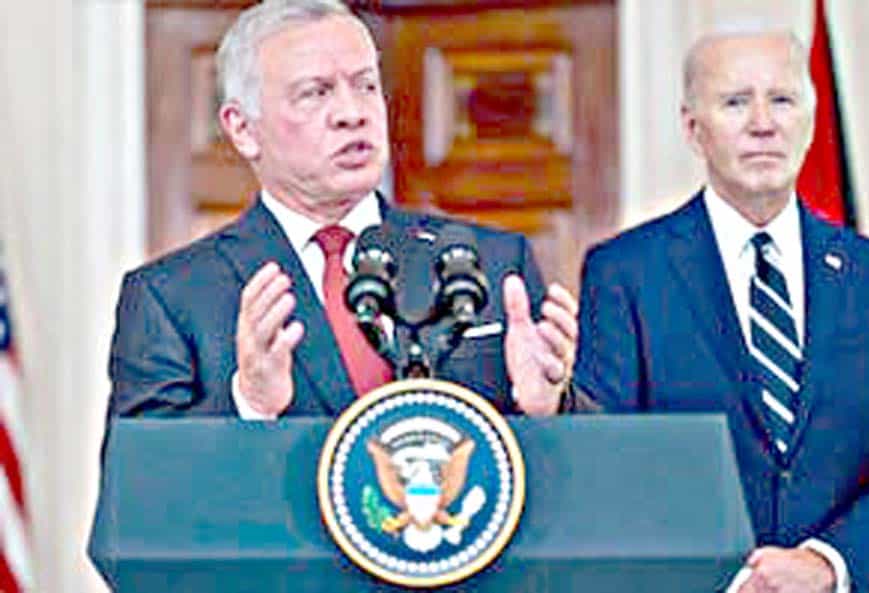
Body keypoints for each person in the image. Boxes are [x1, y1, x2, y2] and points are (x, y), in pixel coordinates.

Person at [574, 28, 869, 593]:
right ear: (692, 129)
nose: (763, 123)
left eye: (783, 99)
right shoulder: (625, 273)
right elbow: (610, 458)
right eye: (735, 102)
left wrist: (828, 563)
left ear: (810, 121)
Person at [105, 0, 580, 420]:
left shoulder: (492, 265)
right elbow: (142, 482)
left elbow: (580, 467)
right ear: (243, 129)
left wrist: (550, 410)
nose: (353, 113)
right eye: (316, 92)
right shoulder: (171, 299)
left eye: (366, 85)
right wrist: (246, 405)